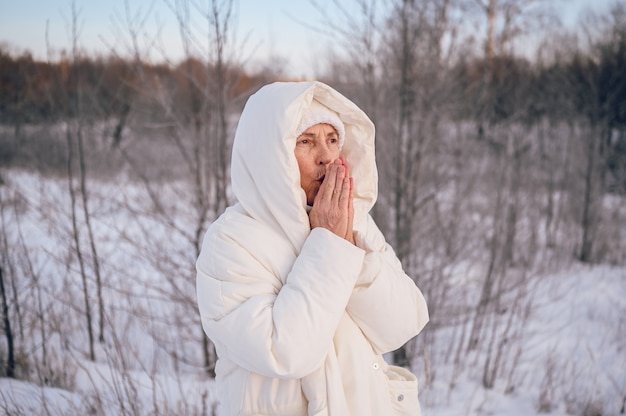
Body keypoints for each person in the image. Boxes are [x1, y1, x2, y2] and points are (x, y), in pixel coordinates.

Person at [196, 81, 429, 415]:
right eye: (306, 141)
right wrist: (330, 247)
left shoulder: (355, 222)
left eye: (333, 140)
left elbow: (403, 323)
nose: (327, 157)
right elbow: (285, 352)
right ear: (271, 156)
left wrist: (349, 246)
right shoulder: (231, 242)